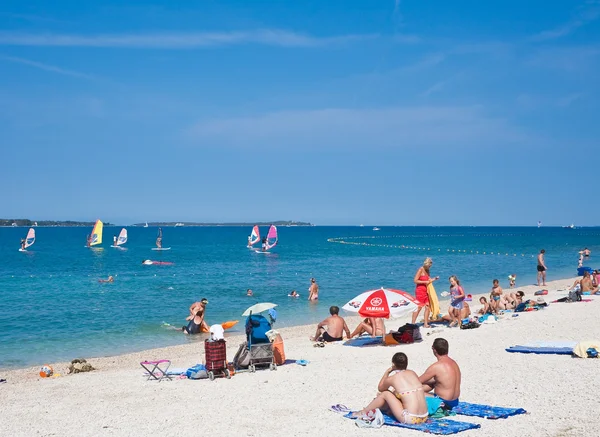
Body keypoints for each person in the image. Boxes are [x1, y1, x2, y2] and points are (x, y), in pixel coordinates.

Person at [351, 353, 428, 424]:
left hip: (411, 418)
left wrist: (387, 372)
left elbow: (381, 388)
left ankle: (363, 412)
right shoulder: (412, 373)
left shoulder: (393, 378)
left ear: (393, 364)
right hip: (424, 417)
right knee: (397, 394)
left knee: (385, 394)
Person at [419, 338, 461, 411]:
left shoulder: (436, 366)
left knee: (414, 392)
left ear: (434, 349)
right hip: (454, 401)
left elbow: (416, 381)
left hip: (443, 402)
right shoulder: (454, 363)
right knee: (433, 383)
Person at [411, 258, 439, 328]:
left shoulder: (428, 270)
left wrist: (434, 279)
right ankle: (413, 323)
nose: (429, 267)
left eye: (430, 266)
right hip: (420, 291)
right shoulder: (420, 269)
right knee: (419, 307)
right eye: (429, 265)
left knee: (428, 307)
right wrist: (424, 282)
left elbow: (428, 281)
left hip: (427, 290)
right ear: (426, 264)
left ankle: (425, 324)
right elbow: (415, 280)